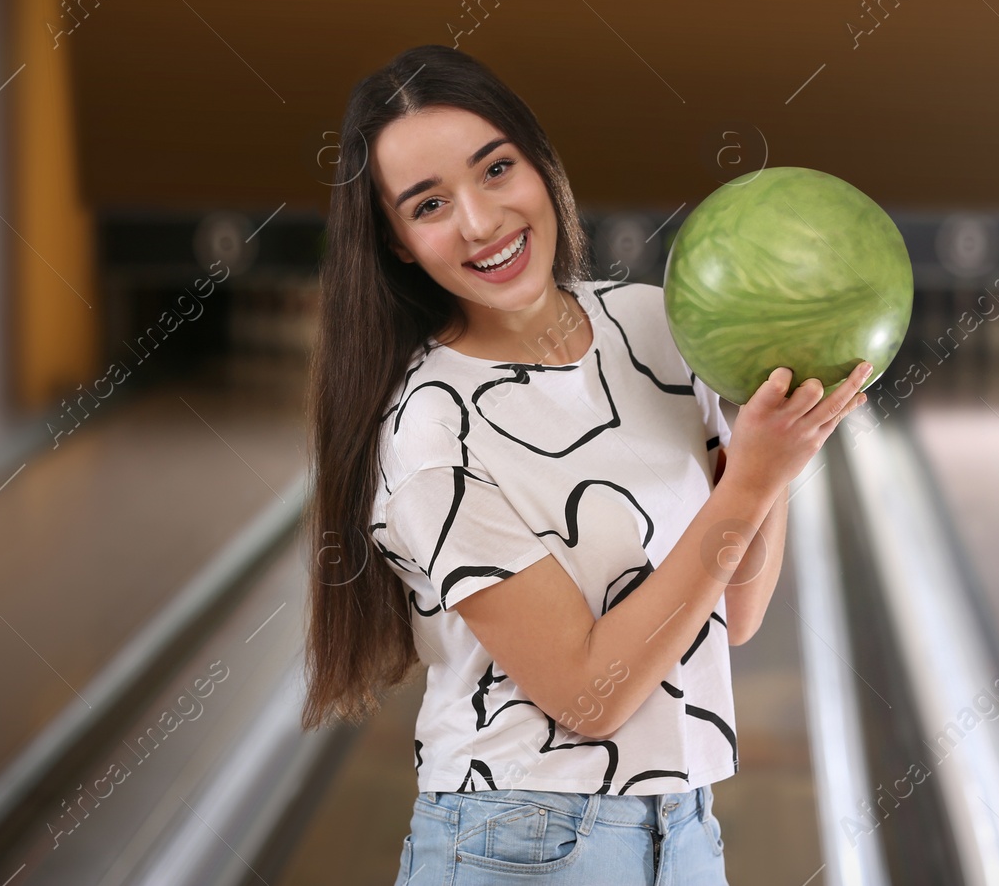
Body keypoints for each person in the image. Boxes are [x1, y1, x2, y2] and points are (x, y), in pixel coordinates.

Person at [300, 44, 869, 884]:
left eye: (496, 168)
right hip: (516, 840)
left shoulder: (656, 326)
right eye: (429, 204)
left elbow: (734, 612)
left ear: (540, 162)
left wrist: (766, 448)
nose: (482, 221)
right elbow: (589, 696)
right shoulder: (431, 430)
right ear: (396, 242)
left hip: (683, 826)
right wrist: (751, 478)